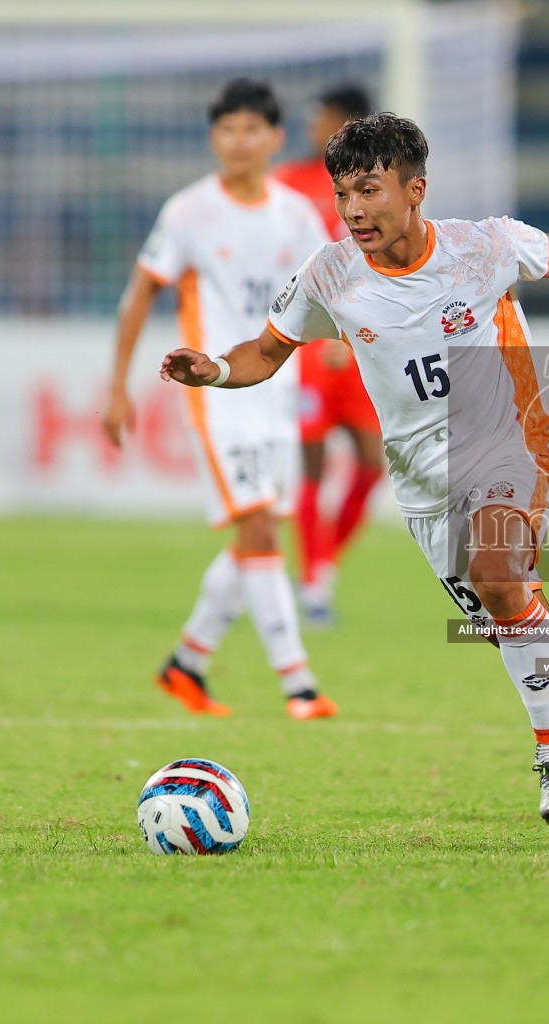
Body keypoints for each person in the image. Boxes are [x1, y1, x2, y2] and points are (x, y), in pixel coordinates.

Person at [159, 114, 549, 846]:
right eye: (343, 193)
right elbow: (265, 350)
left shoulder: (485, 246)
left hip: (514, 447)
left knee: (499, 574)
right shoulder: (330, 274)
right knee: (537, 649)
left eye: (369, 190)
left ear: (415, 190)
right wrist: (215, 371)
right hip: (424, 490)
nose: (353, 210)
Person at [102, 78, 337, 721]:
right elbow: (141, 293)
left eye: (251, 129)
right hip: (215, 388)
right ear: (214, 138)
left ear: (274, 138)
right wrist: (117, 385)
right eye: (228, 129)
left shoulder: (296, 214)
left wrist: (341, 342)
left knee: (255, 534)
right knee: (258, 526)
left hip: (278, 389)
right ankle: (299, 684)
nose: (239, 141)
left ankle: (187, 662)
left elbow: (327, 291)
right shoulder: (188, 212)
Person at [273, 85, 383, 627]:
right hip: (311, 346)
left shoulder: (382, 190)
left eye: (323, 119)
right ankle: (315, 585)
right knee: (311, 464)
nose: (313, 127)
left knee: (371, 462)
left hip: (365, 348)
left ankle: (322, 566)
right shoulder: (287, 184)